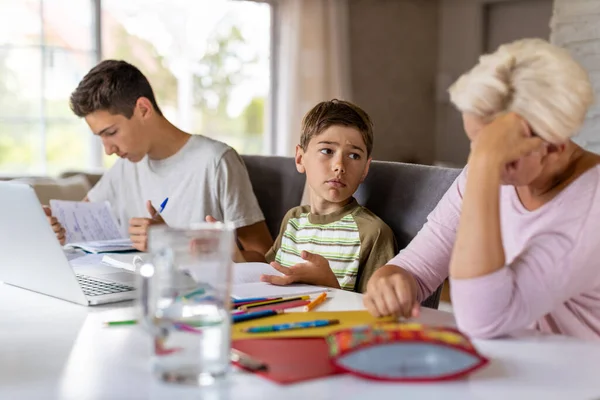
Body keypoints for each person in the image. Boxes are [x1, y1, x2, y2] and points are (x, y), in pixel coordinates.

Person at [364, 38, 600, 341]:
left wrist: (486, 165)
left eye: (495, 149)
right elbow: (417, 268)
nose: (476, 157)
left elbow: (482, 319)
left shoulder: (590, 207)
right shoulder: (488, 169)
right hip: (521, 365)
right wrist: (390, 281)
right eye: (475, 142)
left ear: (554, 144)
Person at [46, 60, 272, 258]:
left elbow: (264, 256)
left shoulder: (216, 161)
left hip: (194, 297)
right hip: (137, 288)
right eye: (100, 137)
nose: (108, 150)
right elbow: (79, 216)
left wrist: (172, 242)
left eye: (111, 132)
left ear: (143, 109)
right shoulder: (126, 166)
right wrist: (57, 225)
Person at [256, 99, 397, 293]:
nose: (339, 165)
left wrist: (329, 285)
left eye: (354, 155)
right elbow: (268, 274)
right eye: (327, 151)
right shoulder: (293, 219)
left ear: (365, 169)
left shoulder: (373, 233)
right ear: (300, 158)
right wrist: (232, 253)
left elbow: (377, 313)